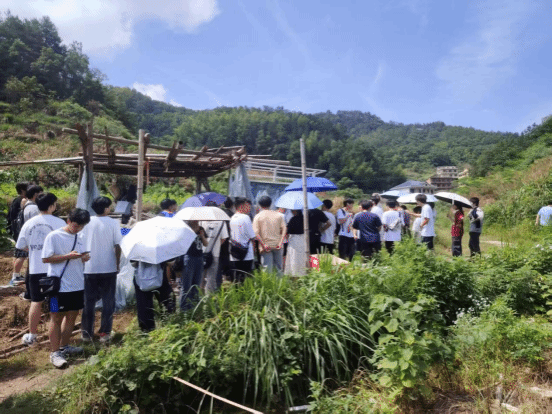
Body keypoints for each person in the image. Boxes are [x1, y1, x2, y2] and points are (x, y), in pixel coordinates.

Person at [42, 208, 90, 369]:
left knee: (72, 316)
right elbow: (46, 258)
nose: (78, 229)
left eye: (81, 226)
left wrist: (84, 257)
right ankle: (55, 352)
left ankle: (64, 346)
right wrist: (67, 256)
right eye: (76, 225)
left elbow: (81, 255)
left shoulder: (80, 236)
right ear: (68, 221)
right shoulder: (54, 236)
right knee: (55, 317)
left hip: (77, 285)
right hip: (57, 288)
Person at [15, 193, 65, 346]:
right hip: (54, 270)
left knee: (36, 301)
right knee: (54, 300)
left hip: (35, 269)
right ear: (51, 206)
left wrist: (34, 250)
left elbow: (20, 245)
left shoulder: (29, 223)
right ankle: (55, 332)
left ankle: (32, 335)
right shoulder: (60, 222)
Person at [81, 197, 122, 343]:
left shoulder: (86, 222)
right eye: (109, 207)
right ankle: (105, 333)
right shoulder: (113, 223)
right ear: (105, 208)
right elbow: (118, 245)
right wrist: (117, 263)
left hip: (89, 267)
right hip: (108, 267)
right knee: (108, 301)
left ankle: (86, 333)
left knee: (88, 301)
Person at [11, 184, 43, 286]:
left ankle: (16, 276)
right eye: (40, 194)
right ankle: (16, 276)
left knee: (21, 256)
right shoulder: (33, 208)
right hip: (29, 237)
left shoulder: (27, 204)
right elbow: (36, 224)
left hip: (23, 234)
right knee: (22, 256)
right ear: (35, 194)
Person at [133, 260, 175, 332]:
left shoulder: (135, 252)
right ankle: (169, 327)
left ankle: (147, 331)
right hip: (160, 273)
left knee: (143, 306)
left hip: (141, 276)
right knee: (167, 301)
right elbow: (170, 261)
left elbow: (133, 263)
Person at [252, 196, 286, 275]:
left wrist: (263, 244)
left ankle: (268, 283)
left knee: (267, 269)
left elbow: (256, 233)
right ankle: (280, 283)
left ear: (260, 205)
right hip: (277, 245)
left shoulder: (258, 216)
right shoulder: (279, 215)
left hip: (265, 247)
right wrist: (280, 243)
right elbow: (284, 229)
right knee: (279, 269)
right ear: (271, 204)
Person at [201, 202, 229, 293]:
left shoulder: (200, 221)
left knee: (200, 277)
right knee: (211, 278)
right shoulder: (221, 222)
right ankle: (209, 297)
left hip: (201, 253)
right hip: (214, 253)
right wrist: (215, 245)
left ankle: (198, 297)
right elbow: (224, 238)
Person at [180, 220, 208, 310]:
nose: (197, 221)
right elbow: (183, 243)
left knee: (197, 284)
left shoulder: (201, 229)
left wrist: (202, 236)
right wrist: (193, 232)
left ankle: (195, 307)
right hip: (189, 257)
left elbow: (206, 244)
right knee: (187, 285)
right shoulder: (186, 229)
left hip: (199, 257)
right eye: (194, 220)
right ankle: (184, 309)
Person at [229, 198, 256, 283]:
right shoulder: (245, 217)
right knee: (246, 277)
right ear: (242, 206)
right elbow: (252, 235)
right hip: (246, 252)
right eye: (248, 206)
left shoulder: (232, 218)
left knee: (236, 277)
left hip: (235, 252)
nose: (249, 208)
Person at [284, 210, 308, 276]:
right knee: (302, 258)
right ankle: (303, 273)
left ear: (295, 211)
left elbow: (288, 231)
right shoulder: (305, 219)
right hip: (303, 239)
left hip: (294, 240)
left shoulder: (293, 219)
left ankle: (293, 274)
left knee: (293, 257)